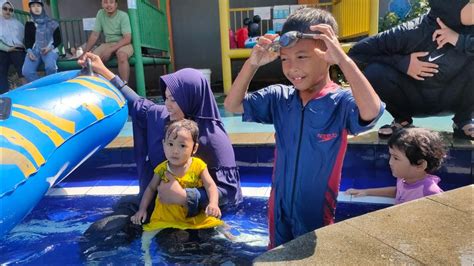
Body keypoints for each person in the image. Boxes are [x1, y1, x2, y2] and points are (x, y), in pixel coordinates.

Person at [224, 8, 384, 248]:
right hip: (278, 207)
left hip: (315, 211)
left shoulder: (340, 102)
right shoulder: (280, 98)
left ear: (327, 52)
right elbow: (232, 104)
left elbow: (372, 111)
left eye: (301, 57)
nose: (291, 68)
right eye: (285, 59)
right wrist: (252, 63)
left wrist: (344, 59)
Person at [78, 52, 242, 242]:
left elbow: (229, 192)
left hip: (196, 218)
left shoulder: (213, 139)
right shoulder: (162, 118)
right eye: (166, 98)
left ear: (192, 98)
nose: (168, 105)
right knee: (99, 236)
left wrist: (185, 197)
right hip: (157, 208)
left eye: (175, 99)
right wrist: (102, 70)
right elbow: (137, 104)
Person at [349, 0, 474, 140]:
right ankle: (402, 120)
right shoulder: (412, 31)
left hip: (453, 98)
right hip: (414, 98)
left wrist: (460, 41)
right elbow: (357, 53)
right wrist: (402, 63)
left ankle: (463, 121)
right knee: (375, 72)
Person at [131, 119, 226, 263]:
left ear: (194, 148)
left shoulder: (198, 166)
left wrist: (213, 203)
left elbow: (211, 186)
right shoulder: (162, 169)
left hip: (193, 217)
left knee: (221, 229)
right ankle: (147, 259)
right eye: (170, 144)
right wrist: (142, 209)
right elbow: (150, 188)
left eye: (182, 146)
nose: (174, 151)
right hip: (166, 217)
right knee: (146, 237)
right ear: (163, 144)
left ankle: (232, 238)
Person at [345, 128, 446, 204]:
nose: (390, 162)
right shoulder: (403, 179)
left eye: (396, 158)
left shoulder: (430, 192)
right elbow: (398, 191)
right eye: (391, 156)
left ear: (420, 164)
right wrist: (366, 192)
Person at [83, 0, 133, 82]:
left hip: (123, 43)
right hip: (108, 43)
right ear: (102, 4)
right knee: (93, 59)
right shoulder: (100, 13)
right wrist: (85, 52)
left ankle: (124, 86)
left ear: (116, 4)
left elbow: (127, 38)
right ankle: (102, 86)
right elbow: (95, 34)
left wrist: (110, 50)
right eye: (105, 2)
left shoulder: (123, 15)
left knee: (122, 55)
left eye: (111, 2)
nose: (108, 5)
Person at [22, 0, 61, 82]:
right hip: (34, 50)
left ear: (42, 8)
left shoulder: (52, 23)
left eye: (38, 6)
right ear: (30, 9)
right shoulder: (29, 24)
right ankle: (41, 86)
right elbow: (27, 40)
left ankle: (51, 85)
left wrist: (49, 48)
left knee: (50, 66)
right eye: (33, 6)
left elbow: (58, 39)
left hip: (49, 49)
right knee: (26, 71)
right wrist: (29, 51)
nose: (36, 8)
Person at [0, 0, 25, 94]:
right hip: (3, 50)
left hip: (16, 50)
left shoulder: (18, 24)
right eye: (5, 8)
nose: (8, 11)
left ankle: (25, 86)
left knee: (17, 56)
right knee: (1, 64)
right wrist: (8, 48)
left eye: (10, 10)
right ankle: (4, 93)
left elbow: (23, 40)